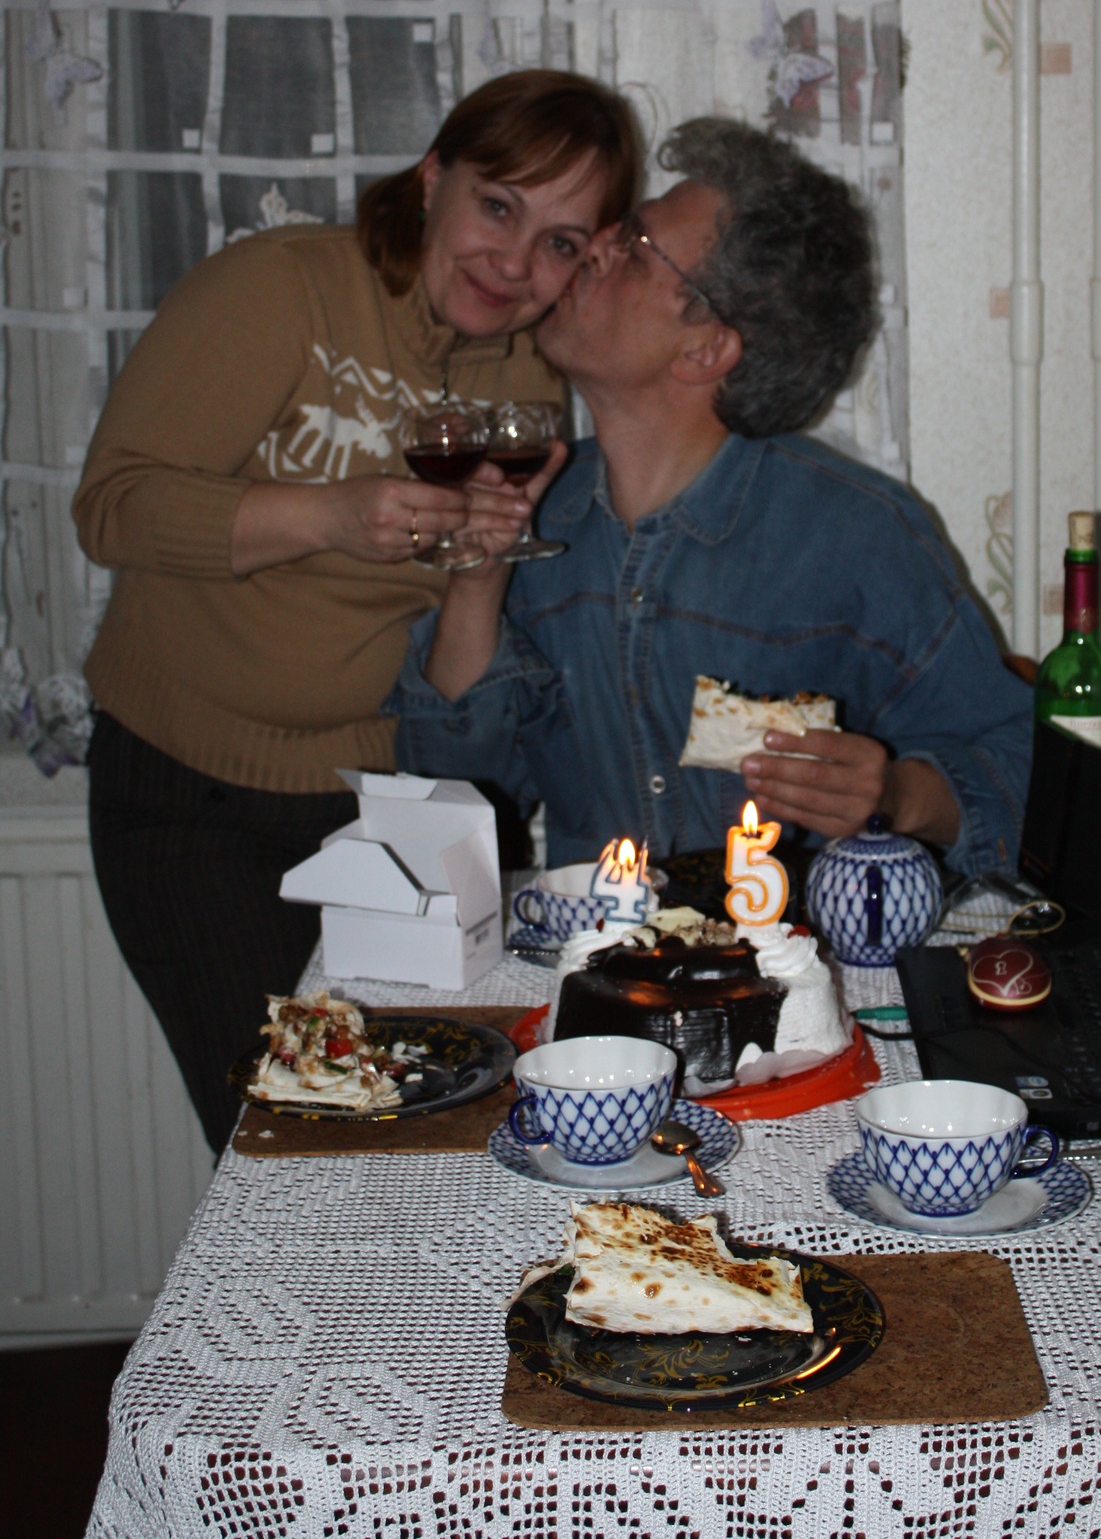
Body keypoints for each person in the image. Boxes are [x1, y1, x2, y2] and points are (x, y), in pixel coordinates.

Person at [73, 69, 641, 1150]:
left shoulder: (527, 382)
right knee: (295, 1139)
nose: (514, 263)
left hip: (383, 810)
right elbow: (112, 508)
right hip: (193, 804)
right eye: (497, 207)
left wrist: (479, 564)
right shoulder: (280, 289)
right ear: (432, 178)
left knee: (416, 1141)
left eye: (561, 242)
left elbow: (466, 610)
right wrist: (328, 514)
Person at [391, 117, 1032, 880]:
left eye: (634, 247)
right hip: (596, 947)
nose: (593, 248)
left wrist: (896, 792)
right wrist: (477, 583)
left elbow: (1024, 772)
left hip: (796, 948)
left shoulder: (852, 533)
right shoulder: (538, 518)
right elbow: (446, 811)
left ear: (705, 348)